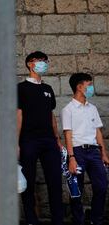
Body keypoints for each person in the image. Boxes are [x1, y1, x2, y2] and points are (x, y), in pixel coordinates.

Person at [17, 51, 63, 225]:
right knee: (27, 181)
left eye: (45, 60)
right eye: (39, 60)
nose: (43, 63)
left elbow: (51, 115)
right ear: (30, 64)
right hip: (28, 141)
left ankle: (57, 219)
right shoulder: (20, 88)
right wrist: (16, 143)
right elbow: (18, 115)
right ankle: (31, 219)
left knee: (55, 181)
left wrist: (57, 139)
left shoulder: (47, 89)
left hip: (49, 141)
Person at [62, 73, 108, 225]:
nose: (91, 88)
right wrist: (72, 158)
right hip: (78, 152)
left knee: (101, 186)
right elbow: (68, 135)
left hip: (94, 152)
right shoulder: (68, 110)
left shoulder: (92, 108)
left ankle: (97, 219)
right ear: (79, 87)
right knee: (76, 190)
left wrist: (103, 153)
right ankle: (78, 220)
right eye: (89, 85)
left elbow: (98, 132)